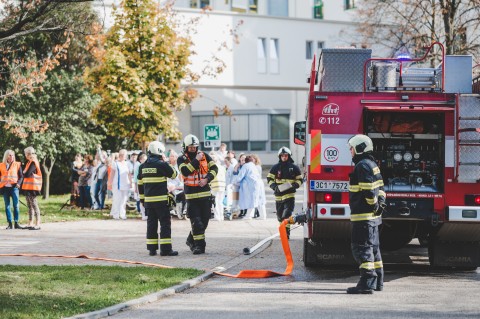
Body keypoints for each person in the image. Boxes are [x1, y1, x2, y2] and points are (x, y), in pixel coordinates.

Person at [346, 134, 386, 294]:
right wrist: (380, 205)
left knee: (361, 249)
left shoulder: (362, 166)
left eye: (351, 148)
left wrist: (373, 204)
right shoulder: (373, 164)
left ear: (359, 148)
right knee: (373, 249)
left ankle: (367, 283)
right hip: (373, 219)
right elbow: (381, 188)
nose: (350, 151)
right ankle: (378, 282)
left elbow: (368, 191)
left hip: (363, 217)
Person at [177, 134, 218, 255]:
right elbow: (185, 171)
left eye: (194, 147)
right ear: (185, 147)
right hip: (191, 196)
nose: (193, 149)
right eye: (190, 148)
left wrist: (207, 179)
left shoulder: (205, 156)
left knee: (204, 222)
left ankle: (190, 240)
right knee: (197, 223)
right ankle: (199, 247)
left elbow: (215, 169)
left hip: (205, 194)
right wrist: (196, 160)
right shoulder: (182, 159)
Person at [138, 141, 179, 256]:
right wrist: (166, 161)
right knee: (165, 224)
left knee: (151, 225)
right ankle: (165, 250)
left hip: (149, 203)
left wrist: (142, 200)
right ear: (160, 152)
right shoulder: (162, 165)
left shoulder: (142, 167)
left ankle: (152, 249)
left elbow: (140, 185)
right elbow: (175, 174)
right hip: (161, 202)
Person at [267, 147, 303, 238]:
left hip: (289, 195)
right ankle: (283, 230)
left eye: (285, 155)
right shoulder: (275, 167)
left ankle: (286, 232)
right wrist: (274, 187)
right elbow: (269, 179)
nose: (284, 157)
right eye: (282, 156)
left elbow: (300, 180)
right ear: (280, 156)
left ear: (288, 156)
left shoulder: (294, 167)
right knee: (279, 216)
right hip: (278, 196)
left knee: (287, 214)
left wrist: (295, 185)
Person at [0, 150, 24, 229]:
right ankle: (10, 224)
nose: (11, 157)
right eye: (10, 155)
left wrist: (19, 183)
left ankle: (16, 223)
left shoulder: (17, 164)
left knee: (16, 206)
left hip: (14, 188)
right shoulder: (1, 165)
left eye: (13, 155)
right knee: (7, 206)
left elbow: (21, 176)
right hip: (5, 188)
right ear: (6, 156)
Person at [234, 155, 263, 220]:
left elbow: (240, 176)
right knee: (253, 200)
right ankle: (250, 215)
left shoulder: (246, 166)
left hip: (250, 185)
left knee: (249, 201)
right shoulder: (253, 165)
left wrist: (235, 182)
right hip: (256, 184)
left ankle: (248, 215)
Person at [22, 146, 42, 230]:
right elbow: (25, 174)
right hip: (28, 187)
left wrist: (23, 173)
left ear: (28, 154)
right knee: (29, 206)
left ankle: (38, 223)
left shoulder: (33, 162)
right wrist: (24, 173)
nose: (25, 155)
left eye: (26, 154)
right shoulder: (29, 162)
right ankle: (30, 222)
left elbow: (26, 174)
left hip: (33, 187)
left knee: (34, 205)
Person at [109, 149, 132, 220]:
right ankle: (116, 214)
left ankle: (122, 214)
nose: (123, 156)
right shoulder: (115, 163)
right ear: (119, 155)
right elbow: (112, 174)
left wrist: (131, 183)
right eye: (122, 155)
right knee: (117, 200)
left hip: (125, 184)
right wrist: (109, 183)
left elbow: (129, 174)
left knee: (124, 200)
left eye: (124, 155)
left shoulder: (128, 163)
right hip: (117, 185)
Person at [209, 153, 226, 221]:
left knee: (215, 202)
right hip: (222, 186)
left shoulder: (212, 168)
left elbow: (210, 177)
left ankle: (217, 217)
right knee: (220, 202)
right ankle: (221, 216)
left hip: (215, 186)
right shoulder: (222, 167)